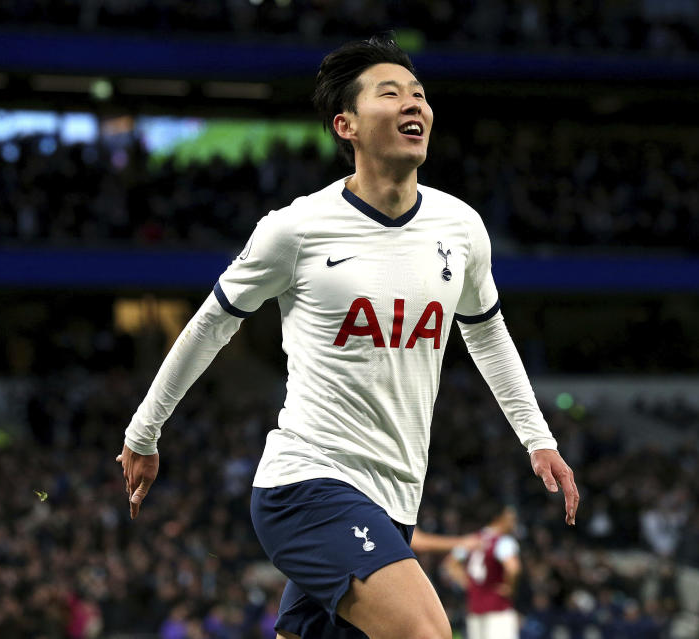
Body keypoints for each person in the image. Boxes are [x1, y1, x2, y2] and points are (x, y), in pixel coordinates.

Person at [116, 34, 579, 639]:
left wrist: (537, 439)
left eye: (419, 94)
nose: (414, 104)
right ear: (347, 125)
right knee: (428, 633)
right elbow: (211, 323)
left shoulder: (460, 227)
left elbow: (487, 335)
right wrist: (144, 431)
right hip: (307, 484)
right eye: (390, 94)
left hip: (394, 500)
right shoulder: (296, 229)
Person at [444, 506, 522, 639]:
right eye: (510, 519)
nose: (513, 523)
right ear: (498, 519)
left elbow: (450, 563)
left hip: (475, 608)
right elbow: (513, 568)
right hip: (499, 610)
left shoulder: (473, 539)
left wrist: (466, 582)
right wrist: (510, 587)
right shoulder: (503, 541)